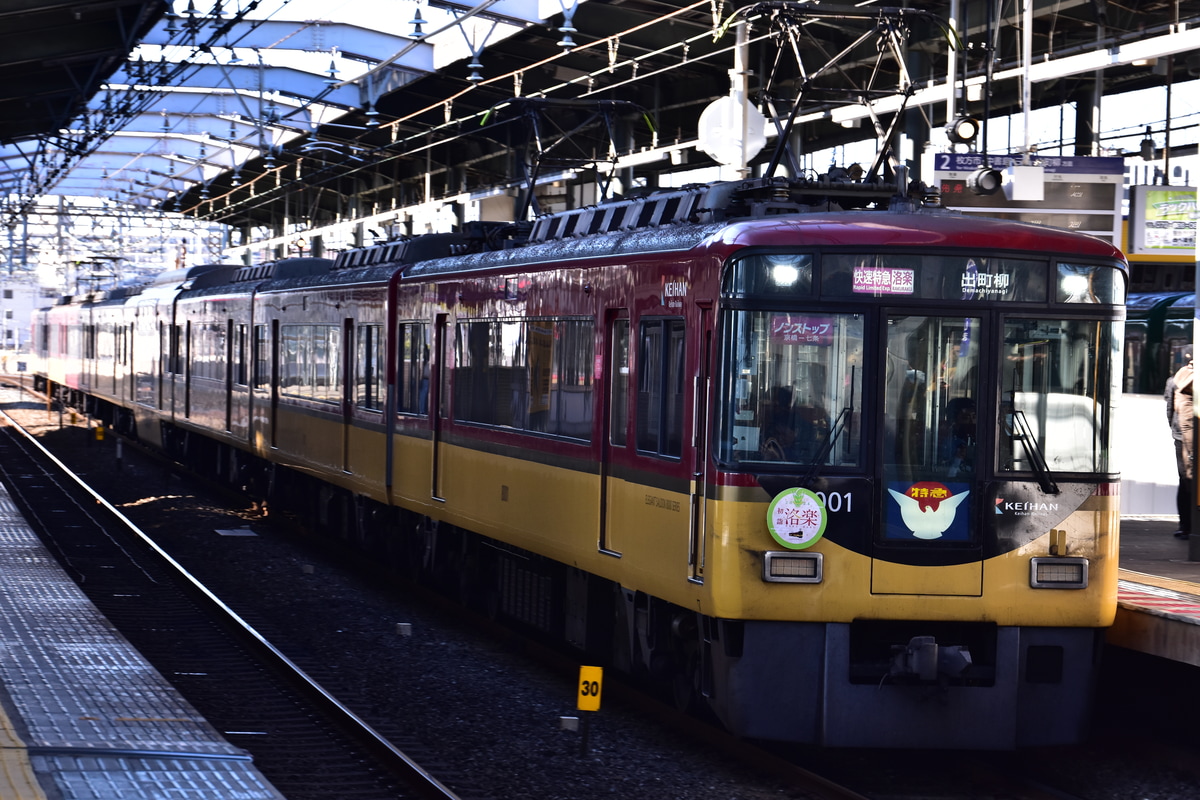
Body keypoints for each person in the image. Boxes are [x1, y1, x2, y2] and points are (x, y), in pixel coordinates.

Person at [1170, 359, 1194, 539]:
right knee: (1189, 480)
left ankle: (1185, 525)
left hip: (1181, 436)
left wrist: (1175, 431)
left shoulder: (1176, 378)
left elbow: (1169, 409)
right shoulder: (1193, 380)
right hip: (1190, 439)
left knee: (1184, 481)